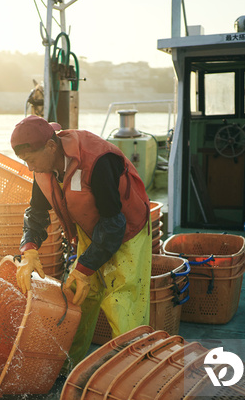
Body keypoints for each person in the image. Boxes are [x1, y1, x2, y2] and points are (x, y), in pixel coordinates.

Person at [10, 115, 152, 369]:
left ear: (51, 147)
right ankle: (67, 366)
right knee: (77, 298)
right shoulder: (43, 166)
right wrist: (29, 249)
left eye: (31, 160)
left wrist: (84, 269)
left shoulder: (98, 160)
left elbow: (114, 225)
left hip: (128, 230)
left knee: (122, 304)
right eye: (25, 162)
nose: (30, 167)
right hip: (91, 230)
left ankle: (133, 373)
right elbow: (37, 212)